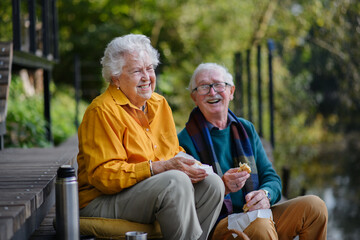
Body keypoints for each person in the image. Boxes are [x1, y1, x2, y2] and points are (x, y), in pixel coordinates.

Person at [76, 35, 225, 240]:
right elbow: (104, 177)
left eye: (149, 68)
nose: (146, 77)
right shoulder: (102, 111)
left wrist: (190, 163)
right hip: (101, 200)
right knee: (175, 182)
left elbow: (170, 152)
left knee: (213, 184)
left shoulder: (159, 103)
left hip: (148, 191)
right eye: (137, 71)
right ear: (115, 78)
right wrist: (157, 168)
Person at [178, 63, 328, 239]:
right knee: (260, 226)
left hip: (258, 215)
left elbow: (271, 178)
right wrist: (223, 187)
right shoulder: (184, 140)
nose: (212, 92)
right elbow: (189, 201)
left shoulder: (246, 129)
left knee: (314, 207)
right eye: (203, 87)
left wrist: (265, 195)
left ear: (231, 92)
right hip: (217, 225)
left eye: (219, 85)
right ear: (194, 97)